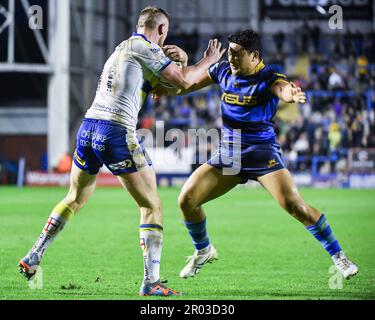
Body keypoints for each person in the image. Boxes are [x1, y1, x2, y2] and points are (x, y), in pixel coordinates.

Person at [18, 6, 226, 297]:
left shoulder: (123, 48)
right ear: (163, 30)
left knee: (75, 197)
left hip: (88, 127)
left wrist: (184, 62)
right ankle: (151, 282)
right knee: (151, 206)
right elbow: (184, 82)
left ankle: (34, 255)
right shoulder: (144, 47)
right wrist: (209, 60)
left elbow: (167, 88)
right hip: (115, 130)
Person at [163, 30, 358, 281]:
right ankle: (203, 250)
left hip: (261, 153)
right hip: (229, 155)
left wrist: (291, 94)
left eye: (237, 54)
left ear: (255, 56)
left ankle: (339, 256)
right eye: (230, 52)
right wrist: (169, 83)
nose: (231, 58)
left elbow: (282, 89)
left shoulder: (268, 77)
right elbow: (186, 85)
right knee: (186, 200)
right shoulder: (222, 71)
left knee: (295, 206)